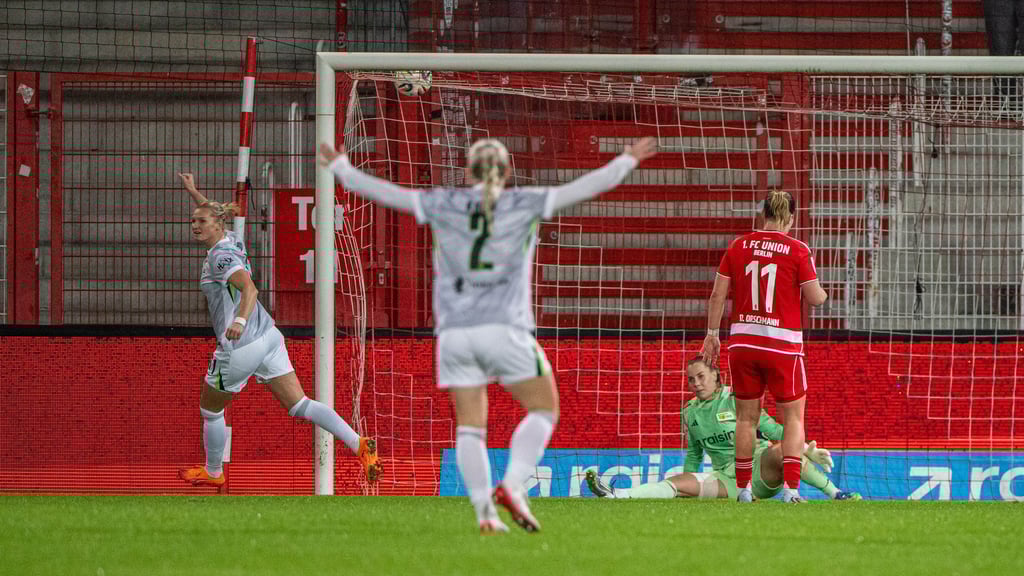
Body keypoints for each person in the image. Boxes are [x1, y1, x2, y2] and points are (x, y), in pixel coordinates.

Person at [319, 136, 658, 533]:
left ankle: (484, 513)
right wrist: (626, 160)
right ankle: (513, 486)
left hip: (456, 333)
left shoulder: (443, 201)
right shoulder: (524, 201)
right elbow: (582, 188)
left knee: (469, 426)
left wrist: (342, 168)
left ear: (467, 173)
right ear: (507, 172)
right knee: (545, 408)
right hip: (505, 327)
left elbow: (389, 194)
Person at [175, 172, 381, 488]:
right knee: (299, 404)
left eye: (201, 221)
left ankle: (214, 472)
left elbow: (250, 290)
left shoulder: (220, 256)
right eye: (193, 221)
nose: (195, 225)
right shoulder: (231, 239)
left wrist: (239, 322)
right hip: (270, 337)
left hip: (241, 344)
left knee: (210, 409)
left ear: (217, 225)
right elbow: (210, 211)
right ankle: (359, 444)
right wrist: (194, 191)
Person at [702, 189, 828, 503]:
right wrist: (824, 292)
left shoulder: (738, 245)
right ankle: (791, 490)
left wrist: (712, 333)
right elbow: (814, 298)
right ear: (792, 218)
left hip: (743, 343)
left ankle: (743, 489)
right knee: (793, 418)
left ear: (763, 214)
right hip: (783, 345)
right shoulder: (798, 249)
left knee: (746, 418)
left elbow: (718, 295)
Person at [585, 358, 860, 501]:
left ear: (716, 376)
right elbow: (694, 453)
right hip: (726, 480)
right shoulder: (689, 411)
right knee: (676, 485)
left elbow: (776, 431)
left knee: (778, 451)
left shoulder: (737, 398)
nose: (695, 383)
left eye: (701, 376)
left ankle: (836, 493)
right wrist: (689, 475)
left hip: (758, 470)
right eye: (691, 379)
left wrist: (804, 450)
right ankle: (618, 495)